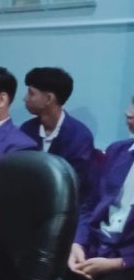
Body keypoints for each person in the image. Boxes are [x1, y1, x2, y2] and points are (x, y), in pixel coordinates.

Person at [56, 100, 134, 280]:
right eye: (131, 104)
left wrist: (118, 263)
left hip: (128, 264)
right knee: (35, 278)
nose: (129, 112)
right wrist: (78, 243)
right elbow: (89, 204)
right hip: (97, 248)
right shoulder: (118, 151)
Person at [20, 67, 94, 204]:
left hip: (63, 205)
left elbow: (74, 183)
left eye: (31, 93)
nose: (25, 99)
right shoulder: (27, 129)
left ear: (48, 98)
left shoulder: (80, 136)